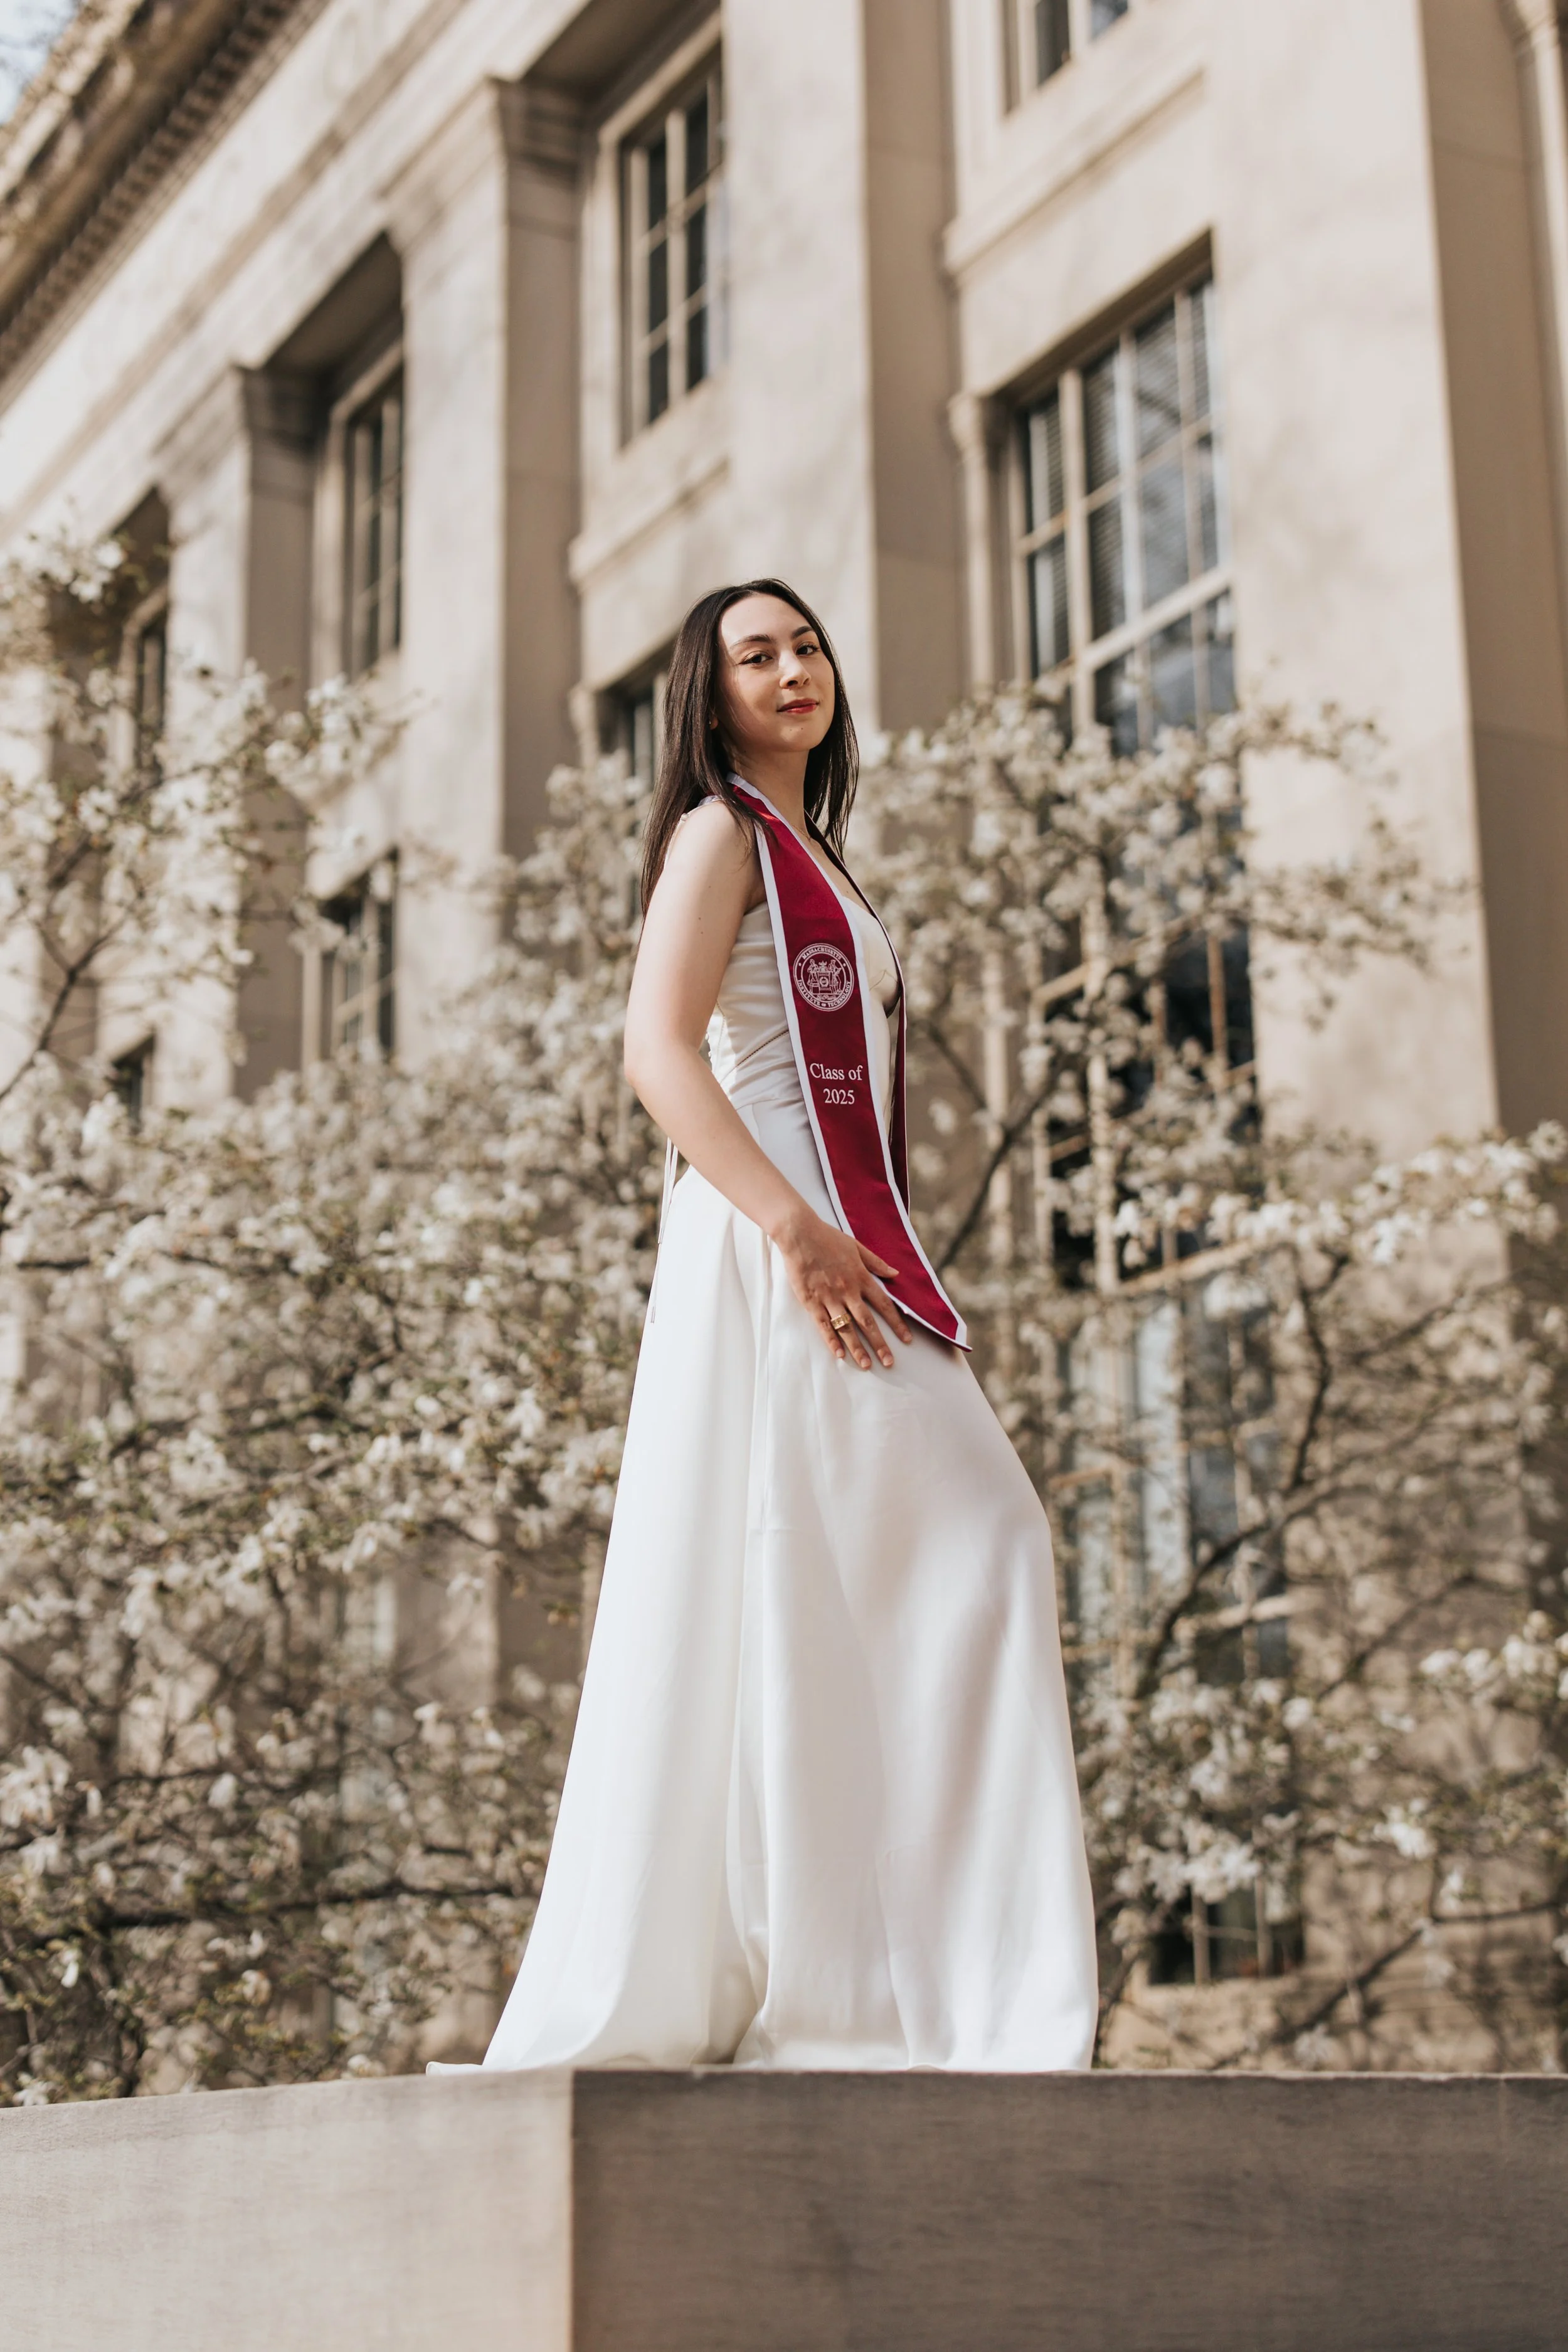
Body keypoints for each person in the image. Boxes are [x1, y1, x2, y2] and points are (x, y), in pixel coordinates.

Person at [455, 579, 1097, 2072]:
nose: (792, 669)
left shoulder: (817, 854)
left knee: (853, 1573)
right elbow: (653, 1049)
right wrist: (791, 1231)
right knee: (973, 1538)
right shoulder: (718, 835)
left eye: (804, 645)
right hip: (772, 1243)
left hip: (833, 1239)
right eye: (757, 655)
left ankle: (891, 1985)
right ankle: (874, 1993)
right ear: (712, 690)